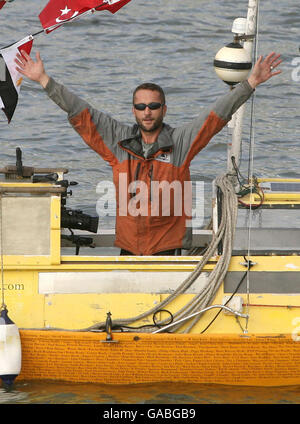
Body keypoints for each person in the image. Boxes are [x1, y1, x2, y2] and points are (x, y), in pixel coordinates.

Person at [15, 51, 281, 256]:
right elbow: (80, 111)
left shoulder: (181, 142)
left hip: (168, 247)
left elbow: (216, 115)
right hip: (129, 245)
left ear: (164, 109)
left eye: (153, 106)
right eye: (141, 106)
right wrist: (43, 80)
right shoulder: (117, 141)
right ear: (134, 110)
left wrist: (250, 83)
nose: (147, 111)